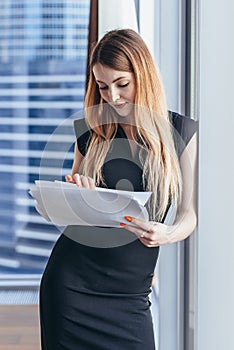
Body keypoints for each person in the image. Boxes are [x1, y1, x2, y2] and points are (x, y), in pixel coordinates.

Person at [39, 29, 197, 349]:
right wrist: (79, 192)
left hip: (130, 296)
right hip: (71, 288)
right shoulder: (91, 130)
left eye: (122, 84)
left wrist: (166, 234)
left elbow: (189, 214)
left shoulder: (181, 132)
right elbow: (71, 205)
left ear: (143, 76)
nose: (112, 96)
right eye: (102, 86)